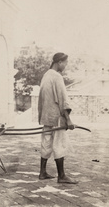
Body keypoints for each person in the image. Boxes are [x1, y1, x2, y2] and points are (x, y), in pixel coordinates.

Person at [38, 52, 78, 184]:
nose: (65, 66)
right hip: (56, 117)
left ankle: (42, 172)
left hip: (46, 117)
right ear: (59, 62)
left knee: (46, 143)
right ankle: (62, 176)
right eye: (65, 63)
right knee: (59, 144)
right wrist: (68, 119)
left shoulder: (46, 75)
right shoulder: (57, 77)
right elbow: (63, 100)